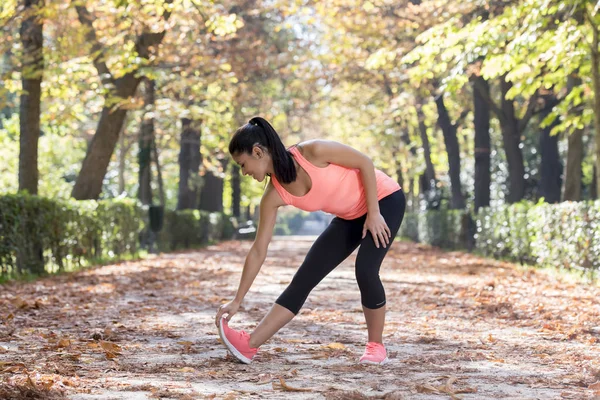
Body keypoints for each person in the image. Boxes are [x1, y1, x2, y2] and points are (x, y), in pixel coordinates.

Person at [215, 116, 406, 365]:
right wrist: (237, 299)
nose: (244, 172)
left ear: (257, 151)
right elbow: (258, 250)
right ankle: (249, 345)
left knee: (366, 269)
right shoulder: (273, 195)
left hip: (383, 201)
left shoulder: (313, 151)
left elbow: (364, 163)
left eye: (243, 164)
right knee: (304, 278)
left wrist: (373, 212)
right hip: (349, 216)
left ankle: (376, 346)